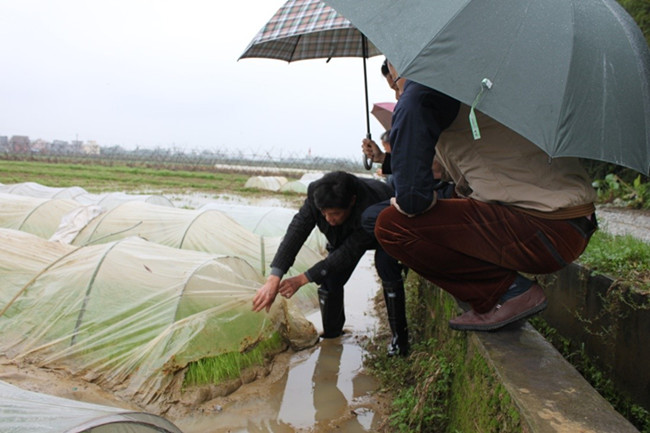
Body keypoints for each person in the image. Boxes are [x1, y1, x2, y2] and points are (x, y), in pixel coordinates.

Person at [374, 60, 598, 332]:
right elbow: (469, 161)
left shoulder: (419, 92)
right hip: (572, 221)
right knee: (449, 200)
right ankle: (496, 288)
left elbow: (412, 200)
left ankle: (506, 292)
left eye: (395, 84)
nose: (397, 94)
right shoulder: (477, 78)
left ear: (399, 64)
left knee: (391, 227)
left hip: (545, 230)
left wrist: (413, 196)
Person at [252, 171, 409, 356]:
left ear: (352, 201)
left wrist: (304, 278)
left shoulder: (370, 203)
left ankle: (400, 340)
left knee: (386, 266)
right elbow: (297, 231)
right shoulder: (316, 195)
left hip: (384, 228)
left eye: (335, 213)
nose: (328, 219)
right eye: (324, 213)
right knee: (330, 279)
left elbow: (349, 251)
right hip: (343, 233)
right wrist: (274, 277)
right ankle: (332, 336)